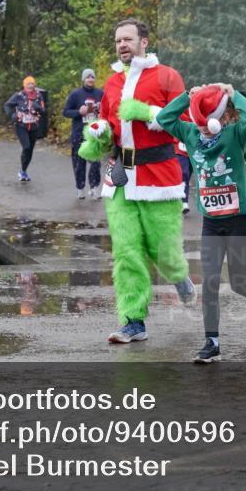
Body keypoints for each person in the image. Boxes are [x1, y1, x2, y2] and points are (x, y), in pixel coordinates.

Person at [77, 18, 195, 344]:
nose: (122, 45)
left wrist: (147, 113)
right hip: (120, 171)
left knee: (163, 251)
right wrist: (98, 133)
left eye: (127, 39)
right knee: (127, 252)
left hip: (160, 173)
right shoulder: (112, 82)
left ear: (144, 41)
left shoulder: (168, 76)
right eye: (117, 41)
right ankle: (133, 321)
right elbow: (108, 124)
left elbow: (184, 124)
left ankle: (180, 276)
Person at [157, 83, 246, 363]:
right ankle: (211, 341)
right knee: (210, 281)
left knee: (238, 281)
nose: (201, 128)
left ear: (223, 117)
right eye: (198, 123)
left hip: (238, 221)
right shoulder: (189, 134)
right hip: (211, 223)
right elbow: (164, 119)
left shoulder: (235, 134)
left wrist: (232, 92)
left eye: (207, 123)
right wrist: (186, 97)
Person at [62, 68, 104, 198]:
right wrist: (78, 112)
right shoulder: (76, 94)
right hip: (79, 134)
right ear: (83, 79)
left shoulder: (100, 93)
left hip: (95, 135)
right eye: (88, 77)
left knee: (96, 162)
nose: (90, 80)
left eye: (92, 77)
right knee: (79, 164)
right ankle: (80, 188)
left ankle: (94, 187)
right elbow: (65, 112)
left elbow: (107, 110)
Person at [4, 76, 45, 182]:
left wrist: (38, 108)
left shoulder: (39, 96)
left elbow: (43, 111)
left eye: (32, 84)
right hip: (21, 126)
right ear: (24, 85)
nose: (30, 86)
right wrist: (13, 115)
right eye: (28, 84)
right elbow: (7, 105)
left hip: (34, 126)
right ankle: (22, 171)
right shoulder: (18, 96)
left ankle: (23, 171)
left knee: (30, 150)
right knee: (26, 147)